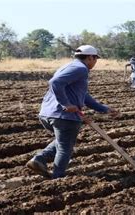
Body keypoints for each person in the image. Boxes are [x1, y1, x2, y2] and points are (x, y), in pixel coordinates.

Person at [26, 45, 119, 179]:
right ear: (90, 57)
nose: (95, 62)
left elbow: (83, 96)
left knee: (63, 140)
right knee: (65, 148)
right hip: (63, 116)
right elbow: (55, 82)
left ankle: (39, 159)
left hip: (47, 113)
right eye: (95, 58)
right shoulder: (81, 69)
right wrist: (66, 104)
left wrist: (104, 109)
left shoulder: (68, 67)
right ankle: (57, 177)